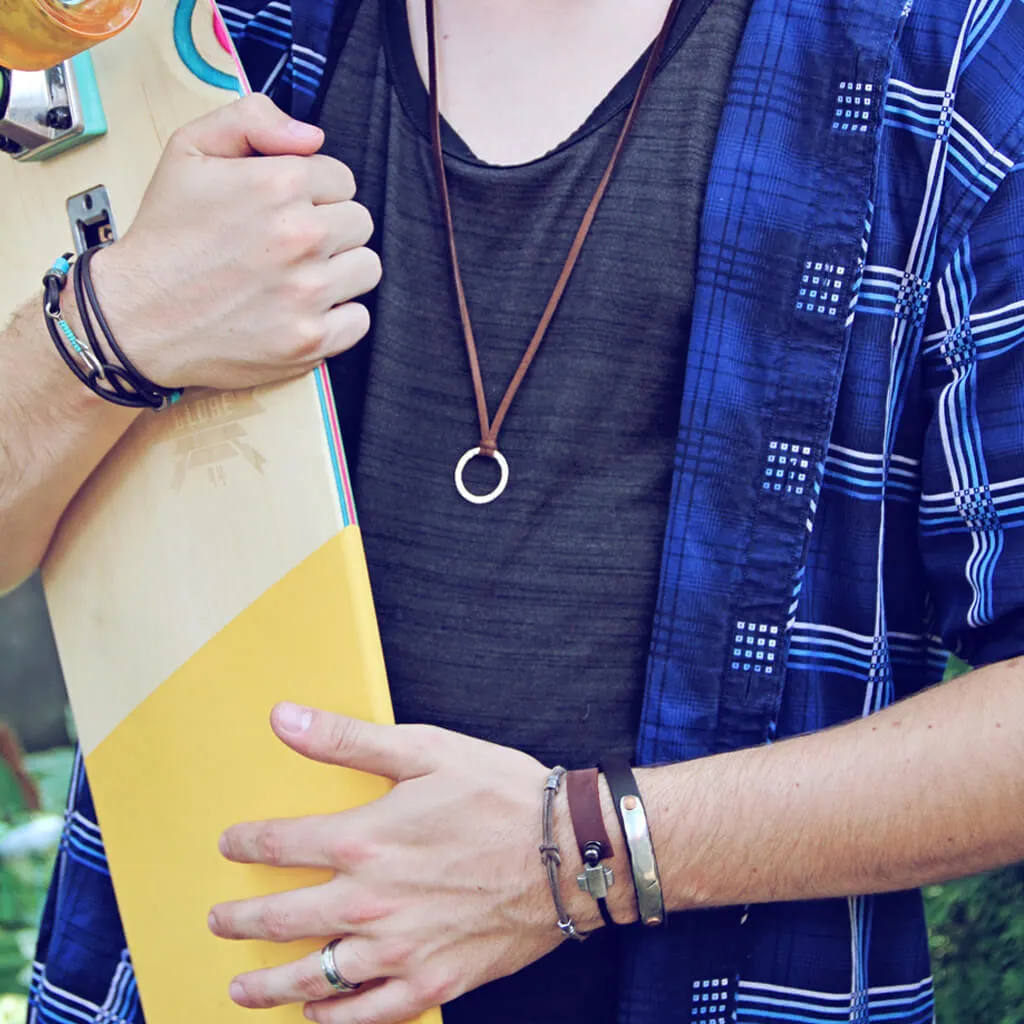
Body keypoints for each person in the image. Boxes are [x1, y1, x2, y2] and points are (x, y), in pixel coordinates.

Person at [3, 0, 1023, 1022]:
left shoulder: (942, 57)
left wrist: (586, 851)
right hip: (196, 982)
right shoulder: (166, 29)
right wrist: (109, 325)